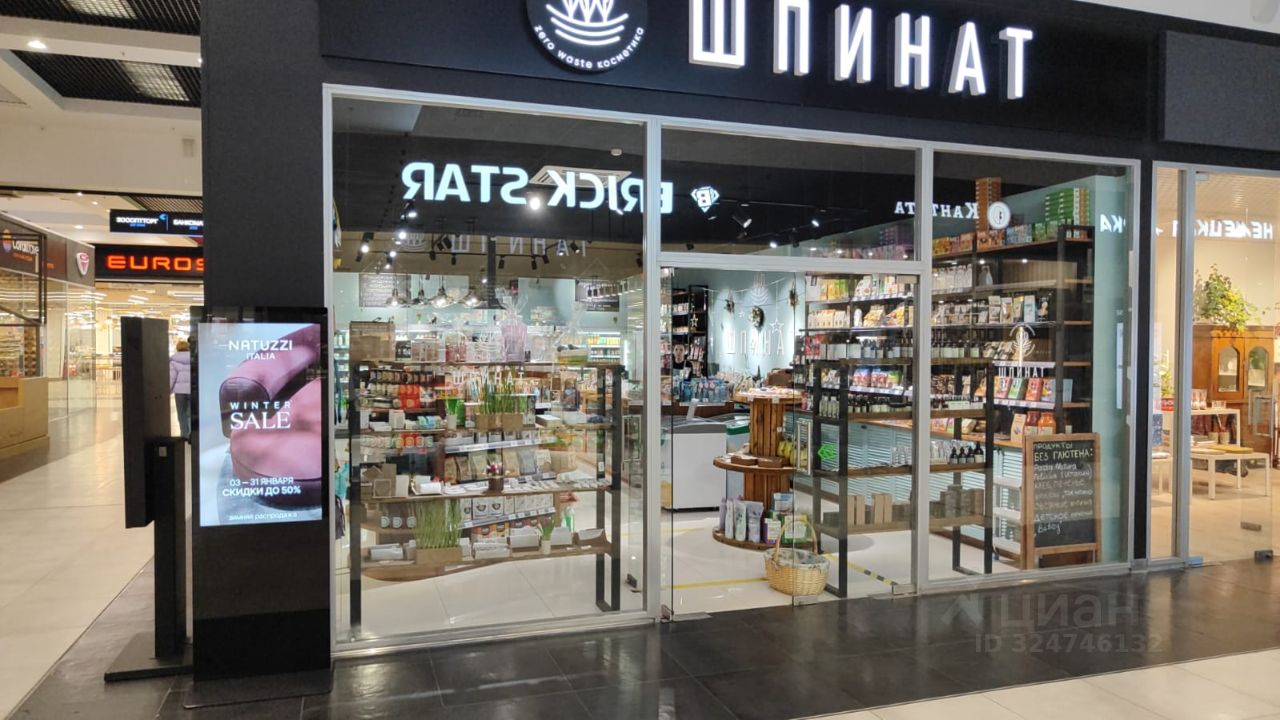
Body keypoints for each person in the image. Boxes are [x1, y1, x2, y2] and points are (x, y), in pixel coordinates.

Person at [170, 339, 192, 439]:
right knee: (191, 413)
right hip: (192, 390)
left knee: (181, 413)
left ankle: (184, 435)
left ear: (177, 348)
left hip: (179, 392)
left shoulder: (173, 361)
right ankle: (192, 433)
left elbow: (172, 377)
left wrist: (168, 391)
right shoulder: (193, 359)